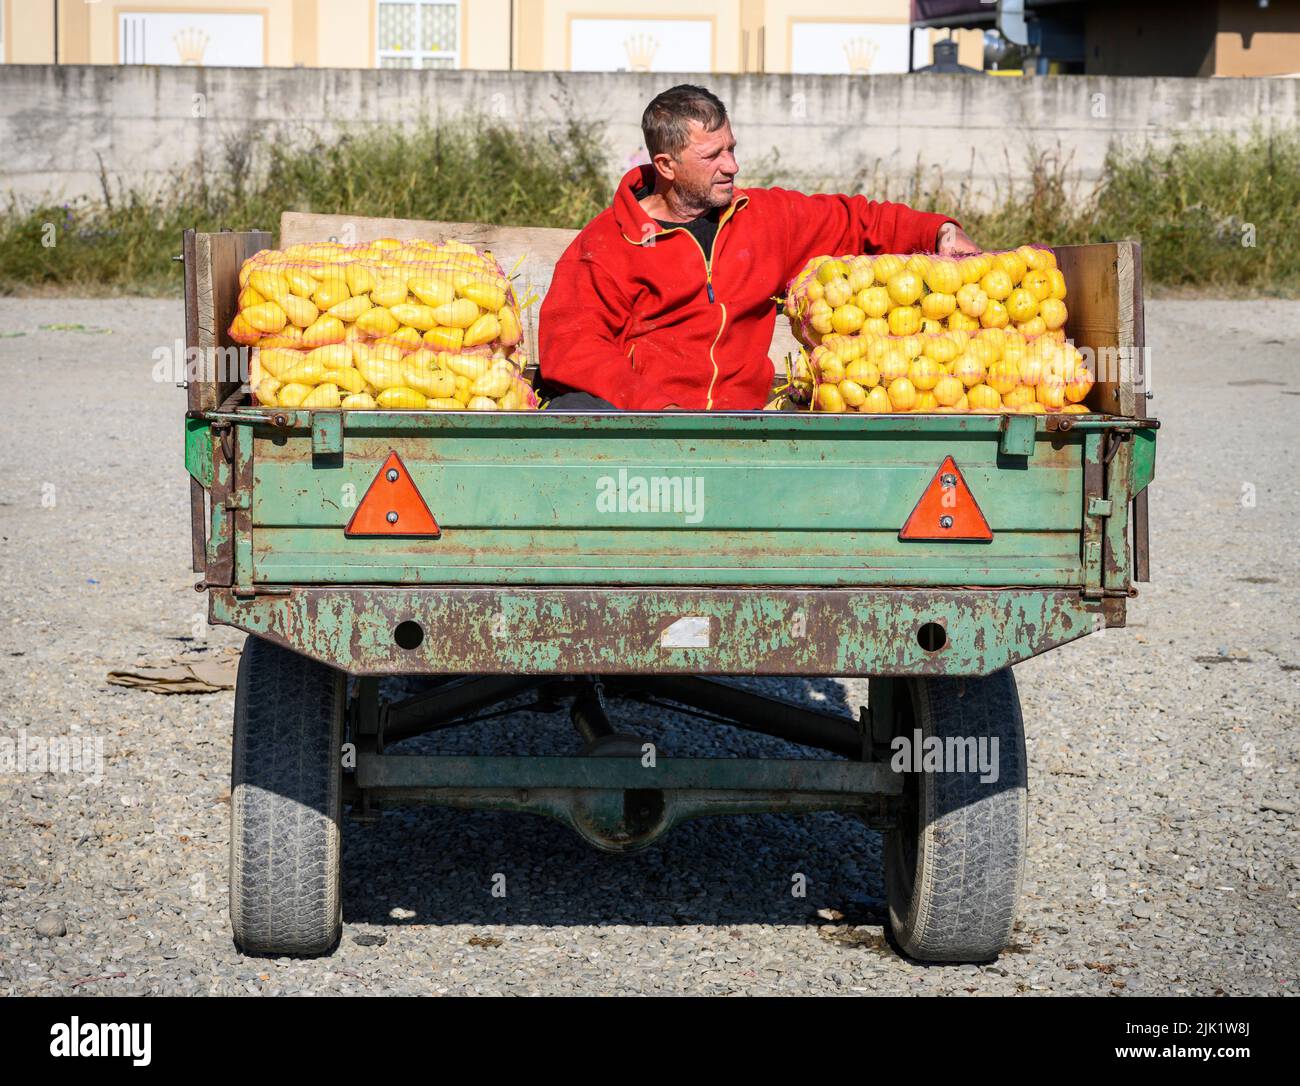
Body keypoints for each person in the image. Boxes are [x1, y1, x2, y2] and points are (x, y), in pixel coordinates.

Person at [537, 84, 979, 412]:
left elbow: (858, 220)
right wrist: (654, 409)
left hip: (743, 427)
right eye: (713, 156)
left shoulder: (764, 217)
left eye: (732, 148)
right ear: (666, 166)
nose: (732, 166)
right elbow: (574, 346)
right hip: (648, 431)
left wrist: (937, 231)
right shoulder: (608, 243)